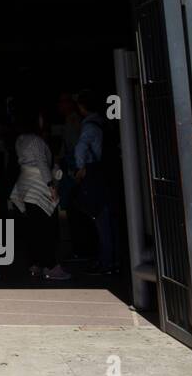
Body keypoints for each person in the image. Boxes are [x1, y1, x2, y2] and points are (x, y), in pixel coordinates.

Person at [8, 109, 70, 281]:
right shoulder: (36, 140)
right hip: (38, 187)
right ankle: (51, 266)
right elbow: (42, 163)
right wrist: (51, 185)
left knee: (33, 229)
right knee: (46, 229)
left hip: (25, 185)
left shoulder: (20, 139)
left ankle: (36, 264)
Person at [74, 89, 116, 275]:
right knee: (108, 219)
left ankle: (106, 262)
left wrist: (80, 168)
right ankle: (109, 259)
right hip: (107, 173)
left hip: (94, 174)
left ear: (82, 107)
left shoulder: (89, 126)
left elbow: (81, 147)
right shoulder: (105, 123)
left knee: (100, 219)